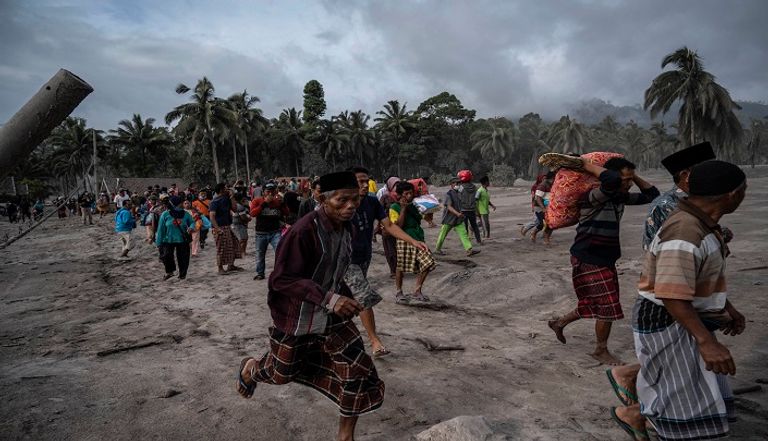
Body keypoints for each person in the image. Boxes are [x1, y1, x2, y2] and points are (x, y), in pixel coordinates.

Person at [235, 171, 384, 441]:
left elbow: (337, 270)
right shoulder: (303, 231)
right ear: (324, 199)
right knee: (281, 373)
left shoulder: (347, 227)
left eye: (355, 200)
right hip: (298, 315)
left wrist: (351, 295)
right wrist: (329, 298)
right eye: (342, 200)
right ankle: (252, 368)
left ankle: (345, 436)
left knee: (356, 369)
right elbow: (281, 279)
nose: (350, 206)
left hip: (332, 315)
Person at [614, 161, 747, 440]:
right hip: (668, 318)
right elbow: (670, 293)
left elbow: (696, 277)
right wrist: (706, 341)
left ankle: (637, 414)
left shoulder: (701, 224)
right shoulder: (686, 232)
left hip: (683, 315)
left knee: (685, 389)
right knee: (678, 397)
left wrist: (725, 306)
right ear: (732, 195)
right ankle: (634, 414)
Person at [548, 157, 659, 365]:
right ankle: (600, 350)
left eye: (630, 180)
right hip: (588, 255)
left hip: (605, 257)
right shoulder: (592, 196)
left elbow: (652, 195)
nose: (628, 184)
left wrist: (633, 175)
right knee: (608, 305)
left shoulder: (618, 197)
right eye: (625, 180)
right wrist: (586, 166)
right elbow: (610, 182)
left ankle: (559, 323)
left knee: (593, 302)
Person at [346, 167, 429, 357]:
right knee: (363, 295)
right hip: (345, 260)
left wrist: (412, 241)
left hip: (364, 257)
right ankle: (375, 341)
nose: (365, 185)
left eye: (367, 181)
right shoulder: (342, 204)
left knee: (348, 297)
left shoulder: (372, 202)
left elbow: (389, 225)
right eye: (360, 181)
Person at [389, 181, 437, 303]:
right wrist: (404, 209)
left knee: (429, 262)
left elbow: (428, 219)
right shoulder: (394, 208)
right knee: (400, 267)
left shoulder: (416, 205)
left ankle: (417, 289)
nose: (410, 195)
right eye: (406, 193)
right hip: (403, 239)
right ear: (400, 195)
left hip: (418, 238)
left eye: (411, 192)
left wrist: (429, 206)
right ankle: (399, 291)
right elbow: (398, 226)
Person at [249, 182, 288, 280]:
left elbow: (287, 212)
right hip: (261, 233)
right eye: (268, 191)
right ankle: (260, 273)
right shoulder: (257, 200)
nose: (270, 193)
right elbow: (252, 213)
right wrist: (264, 203)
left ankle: (280, 272)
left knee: (280, 252)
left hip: (275, 232)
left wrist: (282, 203)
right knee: (260, 254)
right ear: (263, 192)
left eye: (273, 191)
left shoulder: (277, 201)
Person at [434, 178, 480, 257]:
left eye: (459, 183)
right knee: (443, 234)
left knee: (463, 233)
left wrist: (460, 213)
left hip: (458, 219)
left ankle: (469, 249)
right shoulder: (449, 194)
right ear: (451, 184)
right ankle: (437, 249)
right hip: (449, 218)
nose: (459, 185)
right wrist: (457, 214)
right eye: (457, 183)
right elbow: (449, 207)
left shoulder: (458, 193)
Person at [156, 196, 195, 280]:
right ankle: (170, 272)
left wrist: (191, 227)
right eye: (179, 204)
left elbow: (192, 222)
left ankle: (182, 275)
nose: (181, 205)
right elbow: (161, 230)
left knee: (183, 258)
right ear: (173, 205)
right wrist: (158, 243)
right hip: (168, 240)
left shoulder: (186, 214)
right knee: (166, 256)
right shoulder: (165, 214)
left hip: (182, 239)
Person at [209, 183, 243, 274]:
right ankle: (220, 268)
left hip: (227, 225)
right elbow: (212, 216)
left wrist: (232, 197)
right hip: (219, 227)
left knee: (233, 244)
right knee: (221, 247)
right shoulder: (214, 202)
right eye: (225, 188)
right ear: (221, 190)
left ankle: (231, 265)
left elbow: (235, 209)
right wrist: (217, 229)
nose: (227, 189)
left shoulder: (226, 199)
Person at [378, 177, 401, 277]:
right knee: (390, 250)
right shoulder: (385, 197)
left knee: (398, 249)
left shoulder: (401, 196)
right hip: (387, 227)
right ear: (390, 186)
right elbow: (379, 212)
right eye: (395, 185)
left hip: (399, 226)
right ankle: (393, 270)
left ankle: (399, 269)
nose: (397, 187)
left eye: (398, 184)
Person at [457, 173, 482, 244]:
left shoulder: (460, 187)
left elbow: (458, 197)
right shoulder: (474, 187)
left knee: (465, 227)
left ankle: (466, 242)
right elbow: (477, 198)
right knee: (474, 226)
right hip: (472, 210)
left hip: (463, 210)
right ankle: (479, 241)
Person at [231, 193, 251, 257]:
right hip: (239, 224)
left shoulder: (234, 205)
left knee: (243, 238)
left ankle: (242, 251)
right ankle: (241, 252)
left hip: (235, 224)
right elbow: (243, 217)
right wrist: (249, 219)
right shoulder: (240, 207)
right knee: (243, 239)